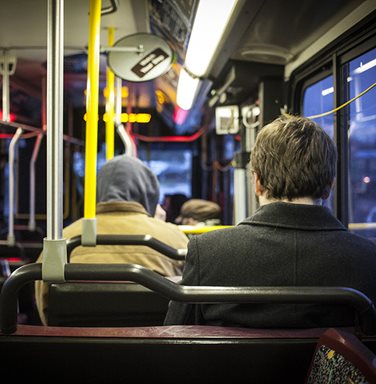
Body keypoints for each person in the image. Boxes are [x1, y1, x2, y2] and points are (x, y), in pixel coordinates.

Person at [164, 115, 376, 329]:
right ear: (330, 186)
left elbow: (175, 336)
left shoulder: (208, 251)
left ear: (257, 183)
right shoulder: (367, 258)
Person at [35, 154, 189, 325]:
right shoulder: (173, 238)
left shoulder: (63, 239)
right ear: (150, 192)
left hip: (76, 346)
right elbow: (187, 301)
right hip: (157, 346)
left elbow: (44, 303)